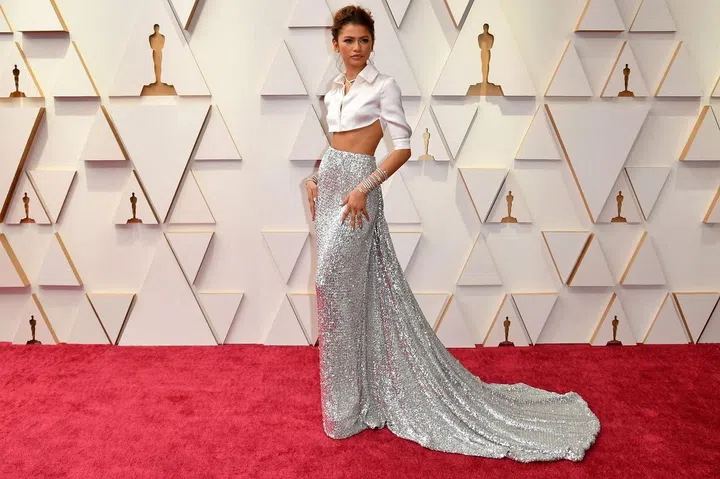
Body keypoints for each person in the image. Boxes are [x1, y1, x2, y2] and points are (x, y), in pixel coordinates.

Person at [304, 5, 600, 462]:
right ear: (335, 44)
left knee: (332, 284)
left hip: (359, 194)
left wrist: (363, 187)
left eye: (364, 40)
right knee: (342, 294)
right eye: (349, 40)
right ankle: (351, 406)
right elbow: (334, 146)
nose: (357, 48)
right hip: (329, 191)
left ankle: (347, 409)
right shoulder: (332, 89)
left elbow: (402, 147)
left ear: (373, 43)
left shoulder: (384, 86)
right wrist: (316, 175)